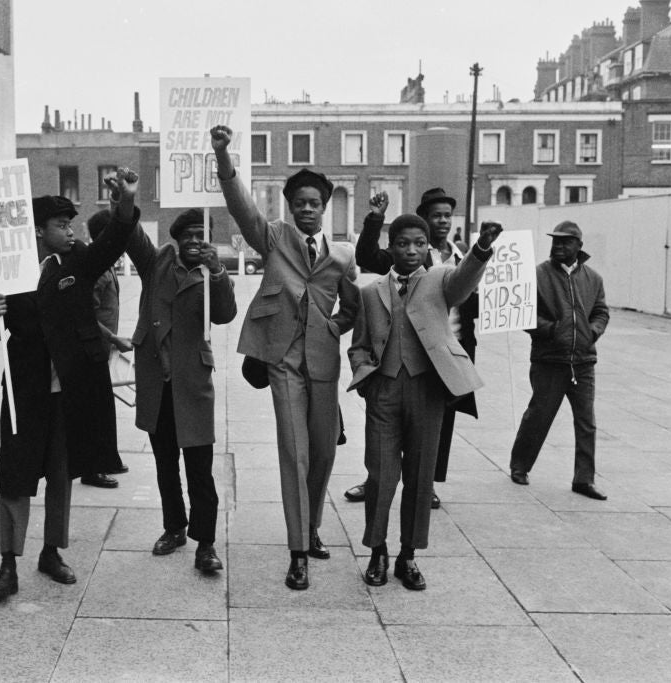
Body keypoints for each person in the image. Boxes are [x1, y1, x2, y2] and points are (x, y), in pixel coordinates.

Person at [0, 169, 140, 599]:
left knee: (61, 475)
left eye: (70, 225)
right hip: (24, 392)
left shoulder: (78, 261)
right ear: (38, 231)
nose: (69, 232)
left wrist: (124, 203)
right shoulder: (7, 270)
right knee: (14, 475)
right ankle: (7, 565)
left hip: (70, 391)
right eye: (61, 226)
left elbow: (115, 240)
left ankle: (51, 551)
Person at [211, 125, 359, 591]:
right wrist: (224, 157)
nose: (307, 209)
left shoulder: (343, 256)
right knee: (293, 452)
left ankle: (312, 526)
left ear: (325, 206)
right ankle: (298, 551)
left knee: (321, 452)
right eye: (300, 203)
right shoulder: (273, 238)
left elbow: (354, 306)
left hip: (323, 363)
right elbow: (242, 208)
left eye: (314, 203)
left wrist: (336, 327)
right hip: (281, 360)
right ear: (290, 208)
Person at [348, 214, 502, 591]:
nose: (412, 250)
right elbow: (358, 345)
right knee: (381, 474)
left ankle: (409, 555)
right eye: (403, 243)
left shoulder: (440, 279)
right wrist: (366, 379)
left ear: (427, 245)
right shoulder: (370, 292)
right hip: (383, 393)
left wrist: (481, 249)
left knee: (420, 476)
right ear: (391, 246)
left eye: (419, 243)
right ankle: (377, 551)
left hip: (427, 391)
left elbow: (465, 279)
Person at [345, 188, 479, 510]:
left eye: (448, 215)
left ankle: (426, 482)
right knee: (387, 431)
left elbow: (469, 293)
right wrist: (376, 219)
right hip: (407, 353)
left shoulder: (462, 254)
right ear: (425, 221)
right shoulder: (414, 250)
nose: (443, 221)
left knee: (439, 424)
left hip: (452, 348)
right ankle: (378, 479)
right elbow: (367, 257)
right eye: (436, 216)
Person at [126, 208, 237, 573]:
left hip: (192, 384)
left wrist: (218, 271)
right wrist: (125, 202)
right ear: (176, 238)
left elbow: (224, 315)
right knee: (165, 465)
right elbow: (131, 234)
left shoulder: (213, 274)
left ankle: (205, 543)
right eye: (187, 234)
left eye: (200, 233)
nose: (194, 240)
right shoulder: (156, 262)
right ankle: (174, 528)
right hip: (157, 383)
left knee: (200, 470)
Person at [509, 221, 609, 500]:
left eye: (565, 241)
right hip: (549, 360)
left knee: (586, 422)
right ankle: (519, 466)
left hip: (583, 361)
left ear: (579, 245)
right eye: (555, 241)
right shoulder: (537, 275)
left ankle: (583, 479)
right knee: (539, 415)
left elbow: (601, 311)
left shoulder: (593, 279)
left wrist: (593, 332)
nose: (558, 246)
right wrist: (552, 330)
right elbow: (523, 312)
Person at [81, 208, 131, 489]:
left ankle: (106, 458)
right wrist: (114, 338)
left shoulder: (107, 264)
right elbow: (85, 313)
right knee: (95, 409)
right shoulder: (98, 268)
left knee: (103, 407)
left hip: (102, 348)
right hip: (93, 349)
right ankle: (93, 468)